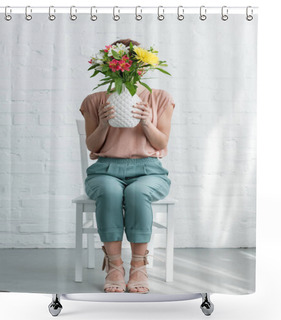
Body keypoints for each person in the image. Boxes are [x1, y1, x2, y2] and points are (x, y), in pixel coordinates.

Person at [79, 39, 175, 294]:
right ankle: (114, 265)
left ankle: (138, 266)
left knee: (137, 192)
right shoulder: (95, 100)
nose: (129, 69)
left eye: (136, 64)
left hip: (149, 170)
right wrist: (103, 124)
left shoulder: (160, 98)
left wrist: (146, 123)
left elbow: (161, 142)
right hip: (106, 169)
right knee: (111, 192)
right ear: (110, 67)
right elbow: (93, 144)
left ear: (142, 68)